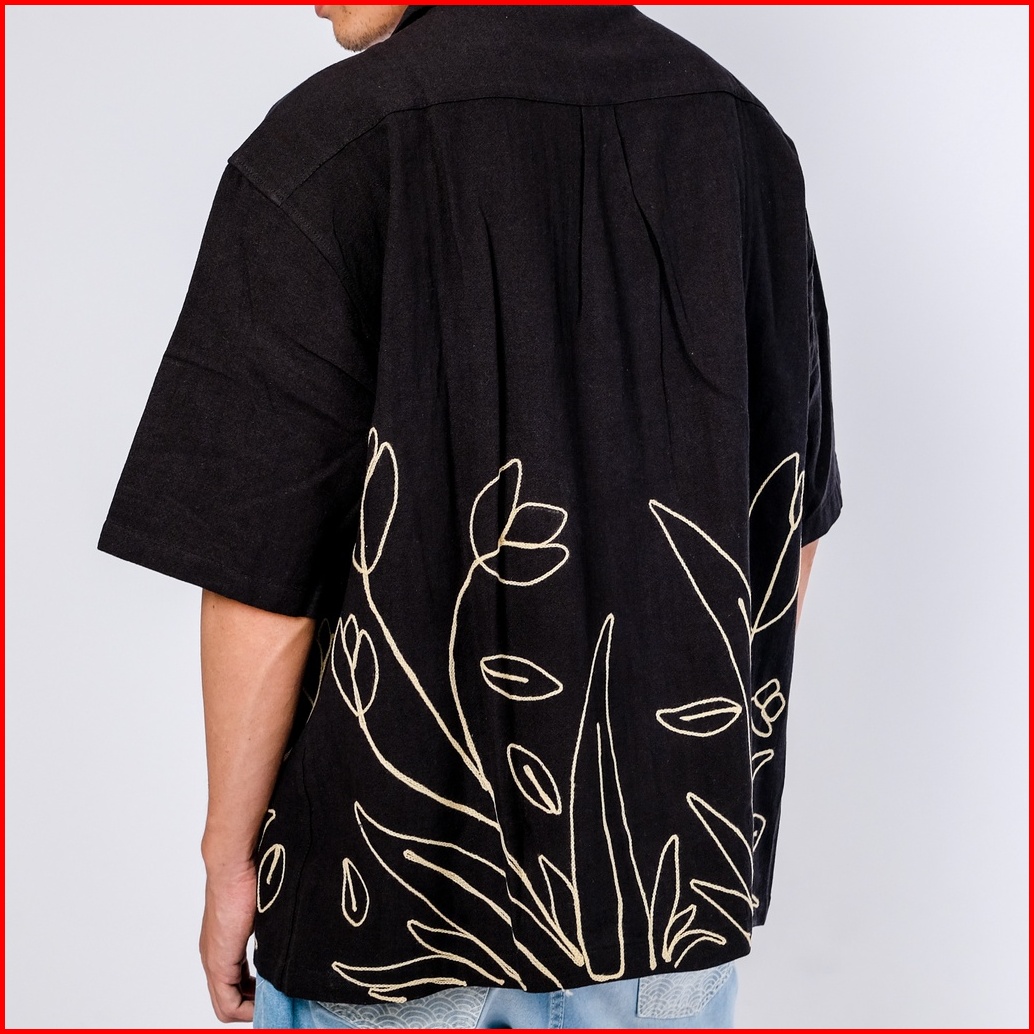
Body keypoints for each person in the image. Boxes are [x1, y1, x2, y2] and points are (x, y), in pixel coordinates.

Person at [98, 4, 841, 1028]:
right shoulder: (743, 138)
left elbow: (261, 578)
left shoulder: (333, 144)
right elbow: (785, 531)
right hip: (661, 914)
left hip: (386, 908)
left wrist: (229, 858)